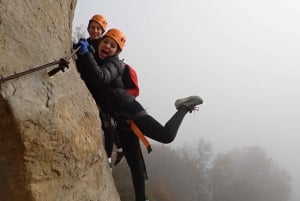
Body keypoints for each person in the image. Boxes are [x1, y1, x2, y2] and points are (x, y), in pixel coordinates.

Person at [75, 28, 203, 201]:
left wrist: (85, 54)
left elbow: (100, 77)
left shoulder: (114, 63)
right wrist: (83, 51)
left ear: (117, 52)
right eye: (105, 42)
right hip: (120, 120)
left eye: (113, 46)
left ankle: (183, 107)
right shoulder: (96, 58)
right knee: (135, 164)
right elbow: (91, 71)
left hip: (129, 109)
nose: (107, 46)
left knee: (166, 136)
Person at [78, 14, 124, 166]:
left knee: (108, 123)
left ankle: (111, 156)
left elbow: (100, 75)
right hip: (100, 90)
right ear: (88, 27)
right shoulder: (94, 44)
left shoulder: (104, 49)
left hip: (108, 94)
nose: (95, 31)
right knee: (106, 123)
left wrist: (86, 53)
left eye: (98, 29)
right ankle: (114, 151)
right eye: (93, 27)